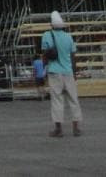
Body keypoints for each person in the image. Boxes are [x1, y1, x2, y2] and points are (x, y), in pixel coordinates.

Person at [42, 10, 82, 138]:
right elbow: (73, 56)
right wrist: (74, 72)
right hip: (68, 71)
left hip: (54, 71)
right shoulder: (68, 36)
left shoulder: (47, 35)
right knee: (73, 100)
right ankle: (76, 128)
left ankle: (58, 129)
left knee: (57, 101)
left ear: (51, 25)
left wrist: (44, 68)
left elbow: (45, 54)